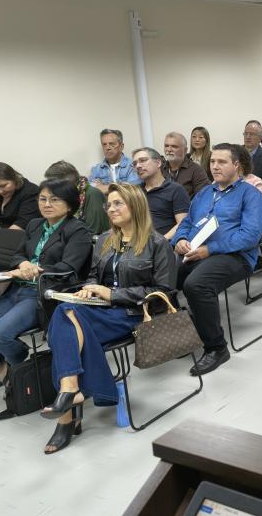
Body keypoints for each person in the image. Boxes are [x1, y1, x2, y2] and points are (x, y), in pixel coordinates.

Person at [40, 183, 173, 454]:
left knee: (63, 325)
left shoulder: (157, 243)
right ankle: (71, 389)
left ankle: (67, 415)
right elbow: (92, 275)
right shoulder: (103, 240)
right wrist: (90, 288)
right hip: (98, 309)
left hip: (132, 313)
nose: (111, 209)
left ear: (135, 206)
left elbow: (163, 291)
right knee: (66, 314)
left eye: (118, 204)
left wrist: (114, 296)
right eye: (109, 204)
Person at [0, 179, 91, 388]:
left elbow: (69, 268)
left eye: (54, 200)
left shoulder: (78, 230)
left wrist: (36, 270)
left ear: (70, 204)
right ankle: (7, 375)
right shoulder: (35, 224)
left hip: (42, 294)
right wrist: (24, 262)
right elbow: (17, 255)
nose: (46, 204)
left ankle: (23, 365)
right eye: (43, 199)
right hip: (16, 290)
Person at [172, 143, 262, 376]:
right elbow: (186, 222)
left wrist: (210, 249)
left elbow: (250, 236)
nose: (215, 166)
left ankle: (216, 348)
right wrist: (181, 239)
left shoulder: (250, 194)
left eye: (222, 162)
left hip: (236, 256)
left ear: (237, 165)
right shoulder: (205, 193)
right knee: (164, 276)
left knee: (196, 285)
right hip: (196, 251)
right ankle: (190, 329)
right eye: (212, 161)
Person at [131, 147, 189, 239]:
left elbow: (183, 223)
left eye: (143, 160)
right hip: (138, 243)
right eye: (134, 164)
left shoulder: (176, 190)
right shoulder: (135, 192)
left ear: (158, 163)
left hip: (164, 245)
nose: (138, 166)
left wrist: (161, 242)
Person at [44, 161, 110, 235]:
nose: (51, 188)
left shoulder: (93, 194)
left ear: (66, 183)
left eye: (53, 184)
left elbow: (94, 232)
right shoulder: (64, 197)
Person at [89, 129, 140, 193]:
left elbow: (133, 189)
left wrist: (104, 187)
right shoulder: (96, 169)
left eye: (112, 144)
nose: (107, 148)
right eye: (104, 144)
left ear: (121, 146)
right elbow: (91, 191)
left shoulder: (132, 165)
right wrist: (121, 186)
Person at [163, 131, 209, 199]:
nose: (169, 150)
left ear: (185, 150)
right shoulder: (159, 169)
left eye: (174, 146)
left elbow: (203, 199)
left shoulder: (196, 170)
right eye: (166, 146)